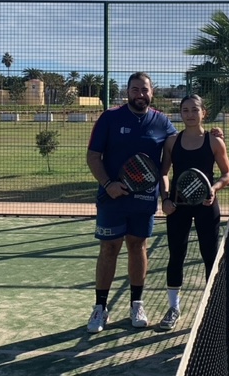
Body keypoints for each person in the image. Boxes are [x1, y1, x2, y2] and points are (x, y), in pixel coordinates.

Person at [85, 72, 177, 333]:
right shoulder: (110, 118)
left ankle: (137, 303)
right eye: (135, 89)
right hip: (112, 199)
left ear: (152, 93)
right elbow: (93, 156)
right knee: (109, 249)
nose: (140, 94)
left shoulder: (162, 121)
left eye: (144, 90)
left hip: (144, 201)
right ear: (128, 92)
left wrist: (212, 136)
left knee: (138, 247)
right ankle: (100, 308)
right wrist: (108, 184)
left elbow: (179, 146)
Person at [157, 94, 229, 330]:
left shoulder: (214, 141)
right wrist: (166, 199)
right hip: (178, 206)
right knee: (176, 254)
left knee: (210, 254)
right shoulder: (172, 141)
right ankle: (173, 308)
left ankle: (213, 308)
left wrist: (214, 188)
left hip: (206, 205)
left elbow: (228, 174)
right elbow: (163, 173)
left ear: (204, 113)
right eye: (185, 110)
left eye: (194, 110)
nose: (190, 114)